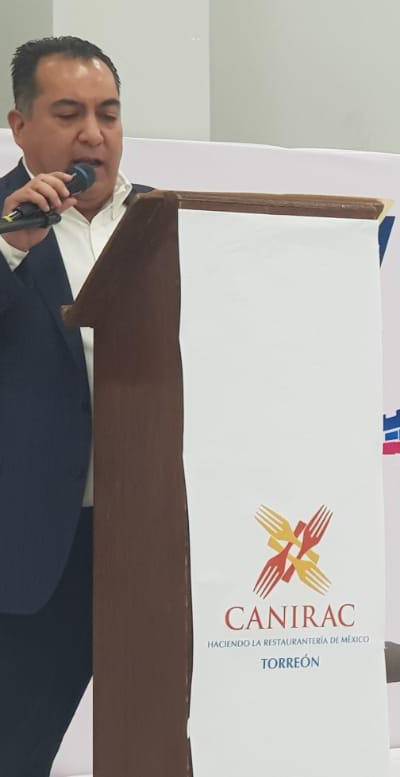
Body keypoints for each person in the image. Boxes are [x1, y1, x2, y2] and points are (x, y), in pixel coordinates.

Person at [0, 36, 149, 775]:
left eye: (108, 114)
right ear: (19, 126)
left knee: (163, 747)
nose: (94, 134)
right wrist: (10, 251)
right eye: (68, 114)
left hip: (157, 539)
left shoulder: (169, 219)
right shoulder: (2, 226)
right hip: (35, 550)